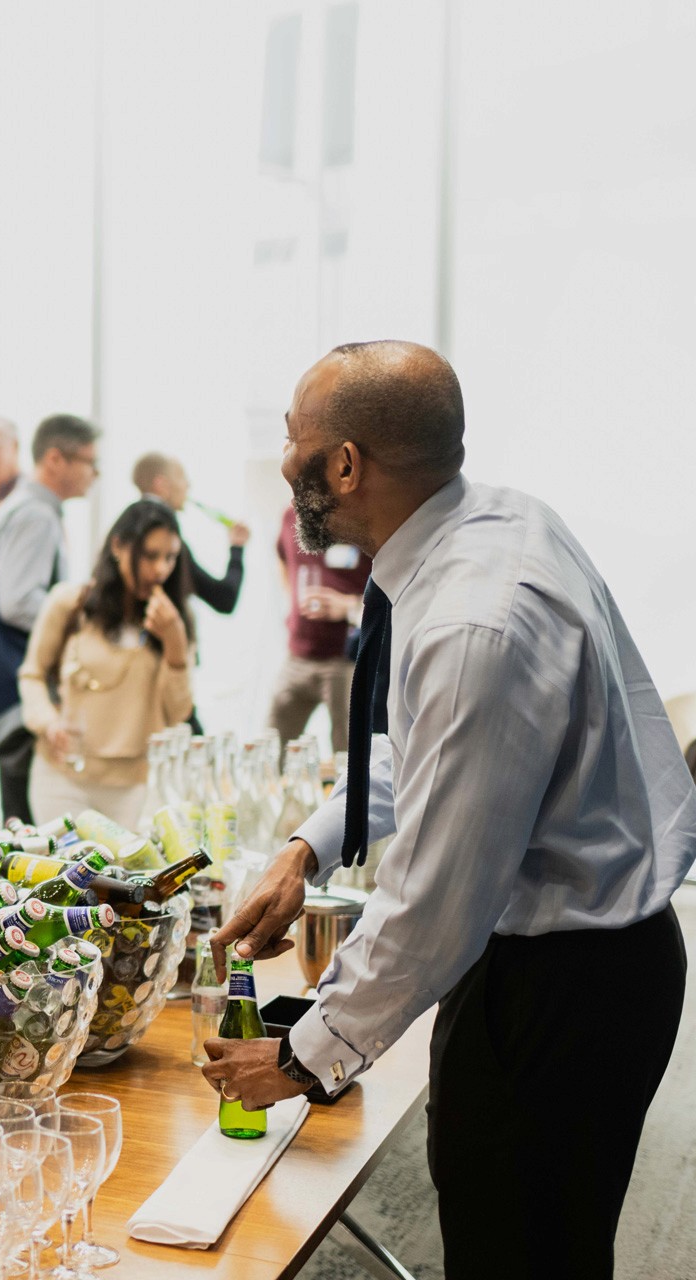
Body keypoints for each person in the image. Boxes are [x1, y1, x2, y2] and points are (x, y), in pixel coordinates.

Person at [205, 341, 695, 1280]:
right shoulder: (493, 523)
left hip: (563, 986)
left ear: (344, 464)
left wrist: (301, 1058)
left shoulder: (478, 620)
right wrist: (308, 847)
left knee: (519, 1251)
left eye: (290, 435)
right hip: (578, 963)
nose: (280, 459)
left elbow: (436, 900)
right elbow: (429, 748)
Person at [17, 501, 193, 828]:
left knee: (126, 877)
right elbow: (32, 674)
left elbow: (178, 712)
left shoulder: (172, 620)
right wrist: (47, 721)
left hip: (135, 785)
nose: (160, 570)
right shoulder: (69, 604)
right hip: (62, 776)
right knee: (64, 874)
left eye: (170, 557)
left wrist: (175, 644)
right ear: (118, 546)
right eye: (150, 555)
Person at [0, 413, 100, 823]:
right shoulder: (35, 514)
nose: (95, 474)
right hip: (18, 682)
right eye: (88, 461)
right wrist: (72, 622)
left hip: (7, 681)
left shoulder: (26, 506)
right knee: (25, 823)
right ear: (55, 459)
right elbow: (14, 602)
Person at [267, 502, 370, 750]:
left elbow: (390, 589)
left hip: (345, 660)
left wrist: (348, 606)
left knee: (347, 754)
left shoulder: (359, 515)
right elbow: (283, 559)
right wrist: (292, 602)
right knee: (271, 745)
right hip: (297, 654)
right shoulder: (289, 517)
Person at [130, 452, 250, 612]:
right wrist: (237, 547)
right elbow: (224, 599)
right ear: (161, 485)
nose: (188, 485)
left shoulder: (127, 530)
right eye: (181, 477)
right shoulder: (171, 547)